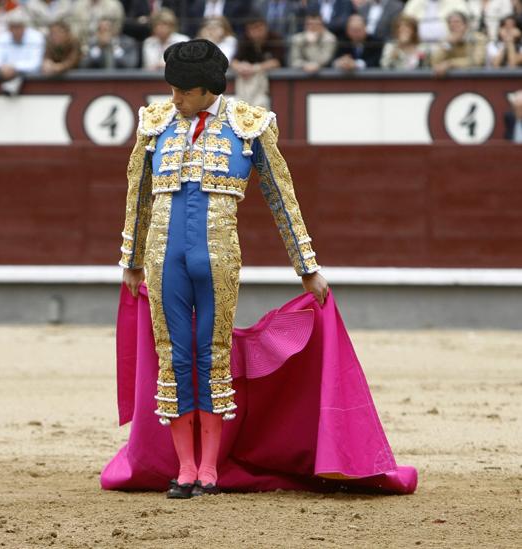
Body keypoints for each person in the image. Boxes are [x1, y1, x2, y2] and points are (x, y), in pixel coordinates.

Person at [118, 38, 327, 498]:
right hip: (163, 256)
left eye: (181, 92)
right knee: (174, 356)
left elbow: (281, 197)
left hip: (218, 258)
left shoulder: (250, 126)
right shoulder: (155, 123)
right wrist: (132, 260)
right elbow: (138, 194)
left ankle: (209, 469)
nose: (173, 100)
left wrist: (306, 267)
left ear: (205, 90)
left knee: (212, 355)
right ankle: (185, 467)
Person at [231, 13, 285, 108]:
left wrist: (255, 68)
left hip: (263, 89)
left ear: (265, 27)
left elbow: (277, 62)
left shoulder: (275, 38)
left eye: (258, 28)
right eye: (252, 29)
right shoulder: (244, 40)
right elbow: (233, 62)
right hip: (244, 90)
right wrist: (241, 67)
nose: (256, 32)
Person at [0, 8, 45, 94]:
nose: (16, 31)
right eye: (13, 27)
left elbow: (36, 65)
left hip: (32, 85)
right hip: (4, 79)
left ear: (24, 26)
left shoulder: (36, 37)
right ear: (9, 28)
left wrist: (14, 68)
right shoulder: (2, 38)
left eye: (19, 27)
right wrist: (1, 68)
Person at [430, 10, 487, 75]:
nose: (453, 25)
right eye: (450, 23)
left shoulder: (478, 38)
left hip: (475, 79)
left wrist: (450, 64)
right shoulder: (446, 41)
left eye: (457, 22)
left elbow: (477, 62)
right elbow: (435, 63)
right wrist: (447, 44)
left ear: (466, 25)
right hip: (452, 82)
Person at [403, 0, 469, 44]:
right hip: (417, 46)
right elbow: (403, 22)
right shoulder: (414, 2)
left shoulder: (457, 2)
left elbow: (465, 24)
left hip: (449, 46)